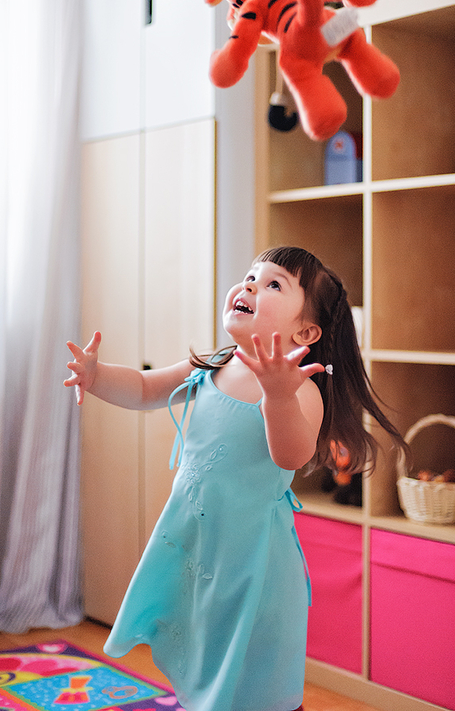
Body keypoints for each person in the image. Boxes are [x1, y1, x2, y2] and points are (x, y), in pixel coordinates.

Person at [64, 246, 406, 711]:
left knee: (257, 682)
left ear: (305, 332)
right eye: (250, 275)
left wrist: (277, 397)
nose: (249, 285)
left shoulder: (300, 391)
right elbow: (145, 389)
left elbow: (292, 454)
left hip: (254, 565)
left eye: (273, 284)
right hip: (201, 546)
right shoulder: (215, 363)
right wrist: (96, 375)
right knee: (204, 657)